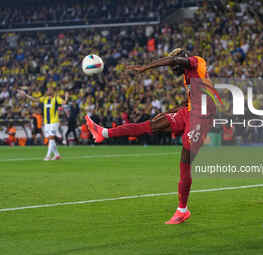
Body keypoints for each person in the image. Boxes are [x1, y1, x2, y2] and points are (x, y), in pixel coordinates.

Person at [85, 48, 222, 224]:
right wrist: (168, 113)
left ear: (183, 58)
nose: (173, 70)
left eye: (174, 65)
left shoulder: (197, 63)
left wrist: (145, 67)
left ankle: (182, 209)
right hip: (188, 112)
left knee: (185, 159)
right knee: (150, 125)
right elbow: (190, 100)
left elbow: (177, 63)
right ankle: (103, 132)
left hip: (202, 116)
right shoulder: (188, 76)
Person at [19, 87, 68, 160]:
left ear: (53, 91)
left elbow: (64, 102)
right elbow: (35, 100)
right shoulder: (45, 98)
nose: (47, 91)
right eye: (47, 90)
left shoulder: (56, 98)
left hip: (54, 122)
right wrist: (26, 95)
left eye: (49, 90)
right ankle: (57, 155)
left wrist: (66, 97)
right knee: (50, 139)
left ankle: (48, 156)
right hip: (47, 122)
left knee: (51, 138)